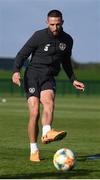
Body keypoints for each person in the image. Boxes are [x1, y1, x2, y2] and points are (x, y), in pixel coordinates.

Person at [12, 9, 85, 162]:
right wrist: (16, 71)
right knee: (34, 113)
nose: (55, 27)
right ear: (47, 23)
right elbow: (22, 54)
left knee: (49, 101)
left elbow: (66, 62)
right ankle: (34, 149)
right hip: (32, 76)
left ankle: (47, 132)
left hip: (49, 77)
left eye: (58, 24)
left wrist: (73, 79)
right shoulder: (38, 35)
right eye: (52, 24)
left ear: (62, 23)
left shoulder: (68, 40)